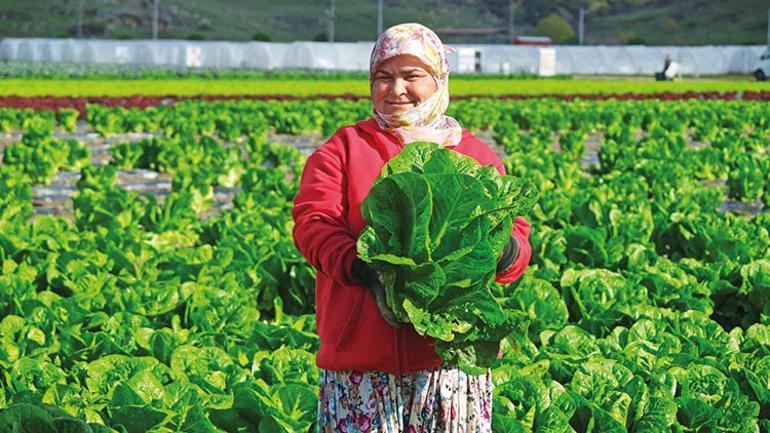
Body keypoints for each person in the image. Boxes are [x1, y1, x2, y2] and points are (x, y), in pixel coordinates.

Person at [291, 23, 532, 433]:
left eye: (412, 76)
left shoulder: (473, 153)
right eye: (383, 77)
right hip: (361, 365)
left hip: (450, 360)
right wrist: (363, 268)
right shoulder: (344, 149)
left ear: (438, 80)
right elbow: (313, 224)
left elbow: (517, 239)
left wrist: (502, 249)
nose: (396, 89)